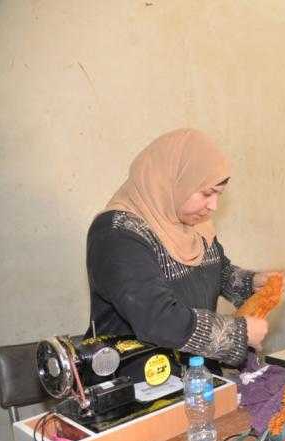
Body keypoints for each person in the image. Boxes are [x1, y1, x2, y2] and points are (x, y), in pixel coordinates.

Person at [86, 129, 271, 374]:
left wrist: (251, 283)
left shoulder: (193, 224)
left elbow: (217, 271)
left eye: (218, 195)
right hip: (139, 382)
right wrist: (238, 333)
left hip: (197, 377)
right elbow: (159, 319)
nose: (213, 206)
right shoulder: (117, 234)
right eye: (207, 193)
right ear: (173, 181)